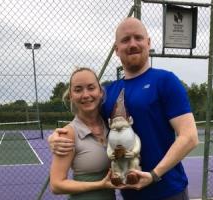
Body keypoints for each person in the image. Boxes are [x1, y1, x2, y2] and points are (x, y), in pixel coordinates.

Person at [49, 17, 199, 200]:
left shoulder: (166, 81)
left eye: (138, 37)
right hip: (129, 194)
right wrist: (57, 136)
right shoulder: (108, 93)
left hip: (168, 192)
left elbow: (190, 137)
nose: (133, 44)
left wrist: (153, 175)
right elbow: (88, 122)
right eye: (126, 40)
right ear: (116, 49)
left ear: (148, 42)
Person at [49, 67, 119, 200]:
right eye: (78, 89)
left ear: (101, 92)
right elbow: (56, 185)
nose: (85, 95)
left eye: (91, 87)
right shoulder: (67, 134)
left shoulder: (110, 126)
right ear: (71, 96)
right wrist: (100, 184)